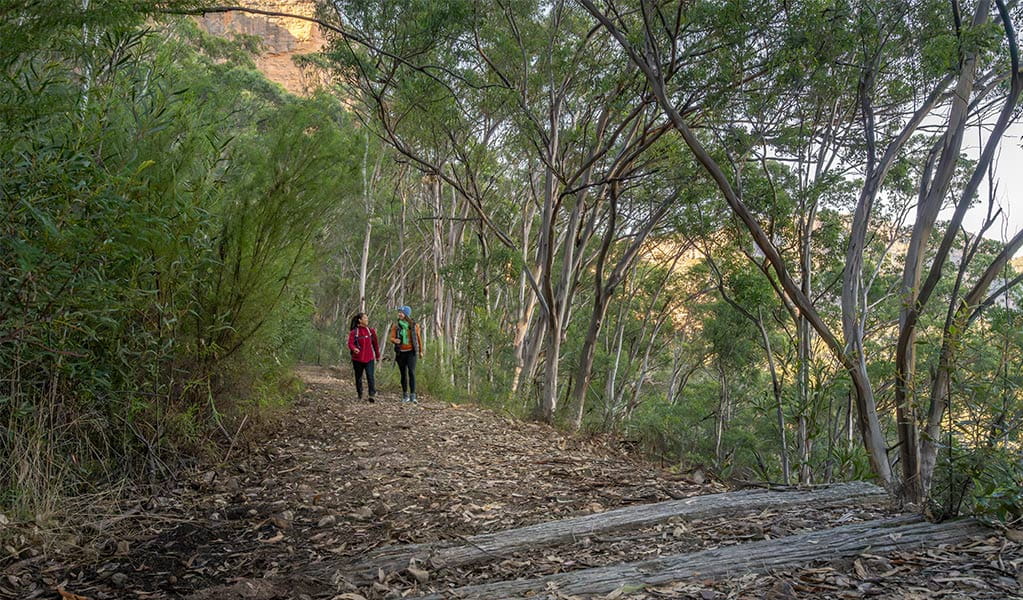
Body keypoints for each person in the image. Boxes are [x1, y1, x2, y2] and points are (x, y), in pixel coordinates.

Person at [388, 305, 423, 403]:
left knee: (411, 372)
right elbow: (391, 338)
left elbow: (418, 338)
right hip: (401, 352)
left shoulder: (414, 325)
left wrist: (420, 351)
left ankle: (413, 396)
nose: (399, 314)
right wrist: (395, 340)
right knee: (403, 374)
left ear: (406, 314)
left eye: (402, 312)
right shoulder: (396, 326)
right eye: (399, 312)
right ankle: (405, 395)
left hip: (411, 352)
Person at [347, 312, 380, 402]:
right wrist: (354, 349)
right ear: (360, 320)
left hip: (369, 358)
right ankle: (360, 393)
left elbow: (375, 345)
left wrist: (377, 356)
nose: (367, 319)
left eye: (367, 318)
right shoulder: (354, 332)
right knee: (358, 377)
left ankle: (371, 395)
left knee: (370, 376)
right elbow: (350, 343)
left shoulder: (371, 331)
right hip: (357, 359)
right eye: (365, 318)